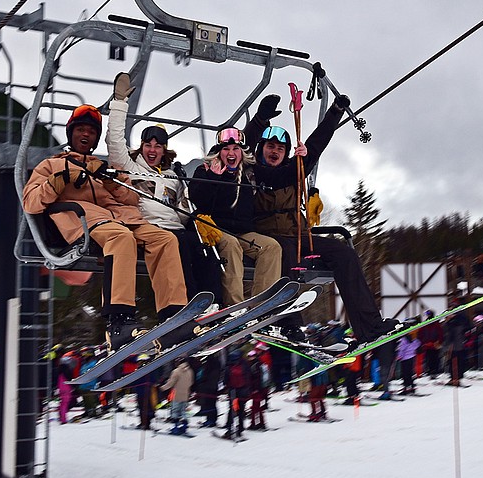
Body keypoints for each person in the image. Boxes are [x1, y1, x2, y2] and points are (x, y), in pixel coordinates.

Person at [22, 103, 188, 350]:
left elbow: (133, 199)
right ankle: (118, 321)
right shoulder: (52, 165)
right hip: (85, 221)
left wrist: (108, 181)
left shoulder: (104, 168)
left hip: (124, 218)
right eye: (81, 130)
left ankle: (173, 314)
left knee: (164, 240)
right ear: (71, 133)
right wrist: (55, 184)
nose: (86, 135)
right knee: (121, 238)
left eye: (91, 132)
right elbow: (31, 202)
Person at [248, 93, 392, 344]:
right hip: (268, 238)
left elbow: (316, 144)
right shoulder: (249, 171)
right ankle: (288, 323)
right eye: (270, 147)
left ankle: (370, 327)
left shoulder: (294, 170)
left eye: (280, 148)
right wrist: (260, 120)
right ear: (261, 149)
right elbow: (241, 145)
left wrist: (335, 112)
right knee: (284, 254)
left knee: (343, 253)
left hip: (300, 237)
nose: (274, 152)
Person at [106, 72, 223, 302]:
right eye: (148, 145)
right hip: (151, 228)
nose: (152, 150)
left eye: (157, 146)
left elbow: (182, 213)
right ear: (141, 147)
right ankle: (191, 301)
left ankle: (215, 302)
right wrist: (120, 103)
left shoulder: (172, 176)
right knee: (179, 244)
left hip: (175, 228)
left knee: (202, 246)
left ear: (164, 150)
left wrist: (194, 213)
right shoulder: (130, 166)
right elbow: (115, 141)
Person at [189, 121, 283, 305]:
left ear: (242, 153)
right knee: (231, 246)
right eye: (226, 149)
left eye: (236, 149)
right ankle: (235, 306)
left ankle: (261, 304)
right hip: (215, 229)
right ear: (219, 152)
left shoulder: (247, 174)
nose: (231, 154)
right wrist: (215, 179)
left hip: (242, 231)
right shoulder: (206, 170)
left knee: (271, 247)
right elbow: (198, 200)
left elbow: (281, 174)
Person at [160, 357, 195, 436]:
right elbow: (191, 382)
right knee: (183, 411)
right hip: (186, 394)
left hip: (176, 394)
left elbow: (171, 383)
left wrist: (163, 388)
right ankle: (184, 426)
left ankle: (176, 428)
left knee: (175, 411)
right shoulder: (190, 371)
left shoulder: (176, 371)